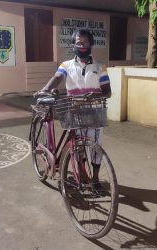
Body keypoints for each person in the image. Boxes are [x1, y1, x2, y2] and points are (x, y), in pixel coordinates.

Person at [35, 29, 112, 185]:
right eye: (78, 42)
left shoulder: (100, 67)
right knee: (78, 147)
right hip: (75, 111)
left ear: (91, 45)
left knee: (96, 147)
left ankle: (95, 178)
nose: (81, 45)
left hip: (95, 113)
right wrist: (45, 90)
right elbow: (57, 78)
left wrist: (96, 96)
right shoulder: (67, 65)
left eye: (85, 42)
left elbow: (107, 91)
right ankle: (83, 176)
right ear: (73, 45)